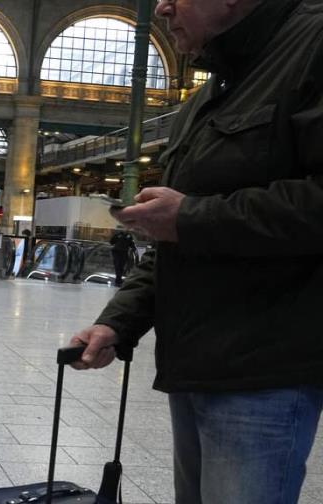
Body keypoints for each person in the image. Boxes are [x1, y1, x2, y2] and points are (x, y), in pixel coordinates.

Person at [69, 1, 323, 503]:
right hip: (197, 365)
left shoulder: (312, 45)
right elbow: (174, 237)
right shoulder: (212, 93)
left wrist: (190, 217)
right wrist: (119, 322)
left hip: (263, 373)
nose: (162, 7)